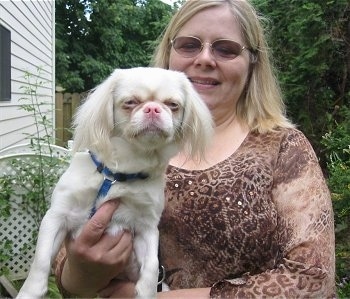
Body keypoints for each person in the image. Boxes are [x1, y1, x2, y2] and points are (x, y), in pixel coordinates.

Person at [54, 0, 336, 297]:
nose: (204, 59)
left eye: (225, 49)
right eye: (188, 45)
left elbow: (313, 278)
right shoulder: (115, 142)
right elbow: (67, 271)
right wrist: (83, 271)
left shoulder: (281, 148)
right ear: (169, 52)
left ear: (253, 61)